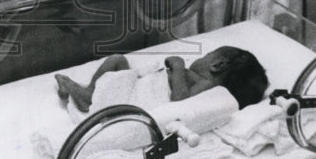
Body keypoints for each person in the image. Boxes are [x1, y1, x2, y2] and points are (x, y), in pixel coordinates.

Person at [55, 46, 268, 114]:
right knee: (117, 60)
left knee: (116, 68)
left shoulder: (207, 85)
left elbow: (180, 100)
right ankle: (91, 91)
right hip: (139, 84)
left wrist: (177, 66)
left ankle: (89, 97)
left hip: (137, 98)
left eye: (208, 55)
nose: (201, 58)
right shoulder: (198, 78)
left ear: (217, 65)